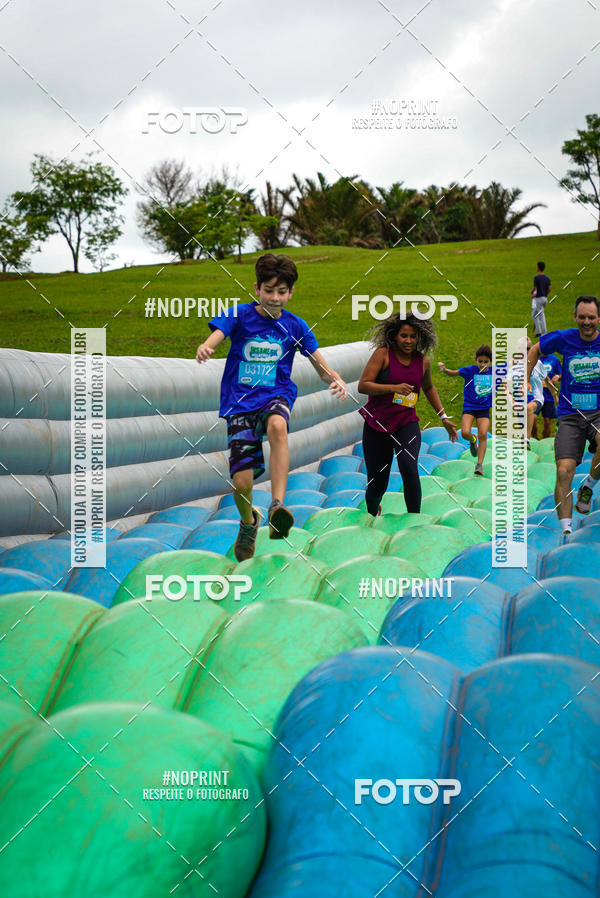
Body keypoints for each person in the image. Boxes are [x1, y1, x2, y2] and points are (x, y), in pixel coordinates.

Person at [196, 253, 347, 560]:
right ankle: (249, 522)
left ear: (290, 293)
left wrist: (335, 378)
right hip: (240, 404)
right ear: (257, 288)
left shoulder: (295, 326)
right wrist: (208, 345)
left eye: (281, 292)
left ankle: (277, 504)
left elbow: (318, 363)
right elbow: (220, 332)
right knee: (241, 482)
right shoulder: (240, 315)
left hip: (275, 394)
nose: (275, 297)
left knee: (278, 425)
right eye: (268, 290)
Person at [357, 313, 457, 516]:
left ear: (420, 337)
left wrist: (444, 416)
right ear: (395, 336)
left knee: (409, 467)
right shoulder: (383, 354)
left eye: (413, 336)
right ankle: (372, 512)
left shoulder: (423, 362)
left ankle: (414, 519)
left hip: (406, 423)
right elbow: (363, 386)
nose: (409, 341)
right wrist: (393, 388)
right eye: (404, 336)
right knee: (378, 483)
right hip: (377, 426)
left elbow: (429, 389)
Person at [527, 295, 600, 533]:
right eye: (582, 317)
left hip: (598, 413)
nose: (586, 322)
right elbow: (536, 349)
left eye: (591, 317)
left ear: (598, 318)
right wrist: (524, 380)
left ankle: (589, 484)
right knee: (563, 470)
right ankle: (566, 530)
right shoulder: (564, 338)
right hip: (570, 415)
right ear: (575, 317)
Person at [438, 344, 493, 475]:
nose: (483, 364)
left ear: (490, 361)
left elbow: (510, 368)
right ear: (476, 360)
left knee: (483, 434)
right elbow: (454, 373)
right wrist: (444, 369)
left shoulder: (494, 372)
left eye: (486, 362)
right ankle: (473, 440)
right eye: (480, 361)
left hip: (483, 409)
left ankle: (479, 465)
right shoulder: (470, 370)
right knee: (465, 433)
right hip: (469, 407)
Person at [534, 354, 561, 439]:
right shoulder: (534, 358)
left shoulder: (554, 359)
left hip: (549, 396)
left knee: (547, 421)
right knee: (533, 418)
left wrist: (557, 376)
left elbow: (561, 374)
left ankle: (545, 441)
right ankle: (534, 439)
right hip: (535, 395)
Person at [531, 261, 551, 337]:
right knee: (539, 314)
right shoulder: (547, 278)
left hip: (538, 298)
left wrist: (532, 293)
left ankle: (541, 332)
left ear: (538, 267)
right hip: (545, 299)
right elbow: (549, 288)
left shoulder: (537, 277)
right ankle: (542, 331)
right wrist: (545, 294)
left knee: (535, 315)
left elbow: (535, 288)